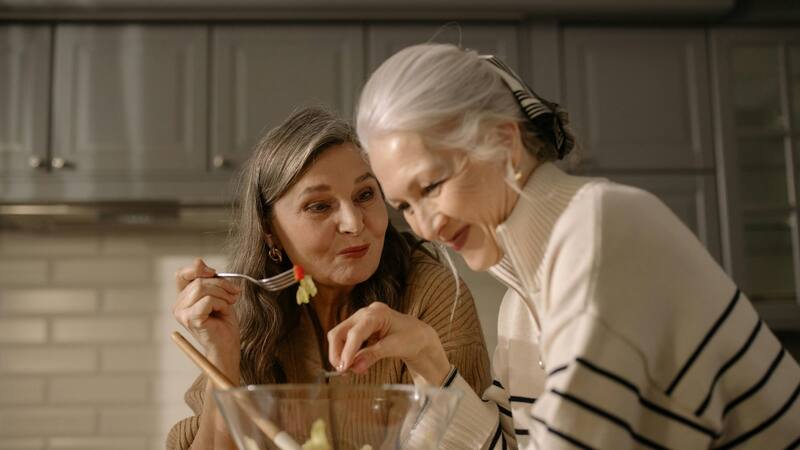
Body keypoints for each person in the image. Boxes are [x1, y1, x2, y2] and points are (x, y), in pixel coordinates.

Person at [326, 43, 800, 449]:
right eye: (404, 206)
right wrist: (428, 358)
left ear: (504, 141)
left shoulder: (603, 230)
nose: (426, 227)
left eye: (431, 186)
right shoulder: (520, 305)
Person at [166, 106, 491, 450]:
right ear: (268, 231)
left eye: (365, 195)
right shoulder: (243, 315)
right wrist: (223, 356)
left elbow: (470, 439)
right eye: (319, 206)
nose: (354, 223)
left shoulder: (432, 294)